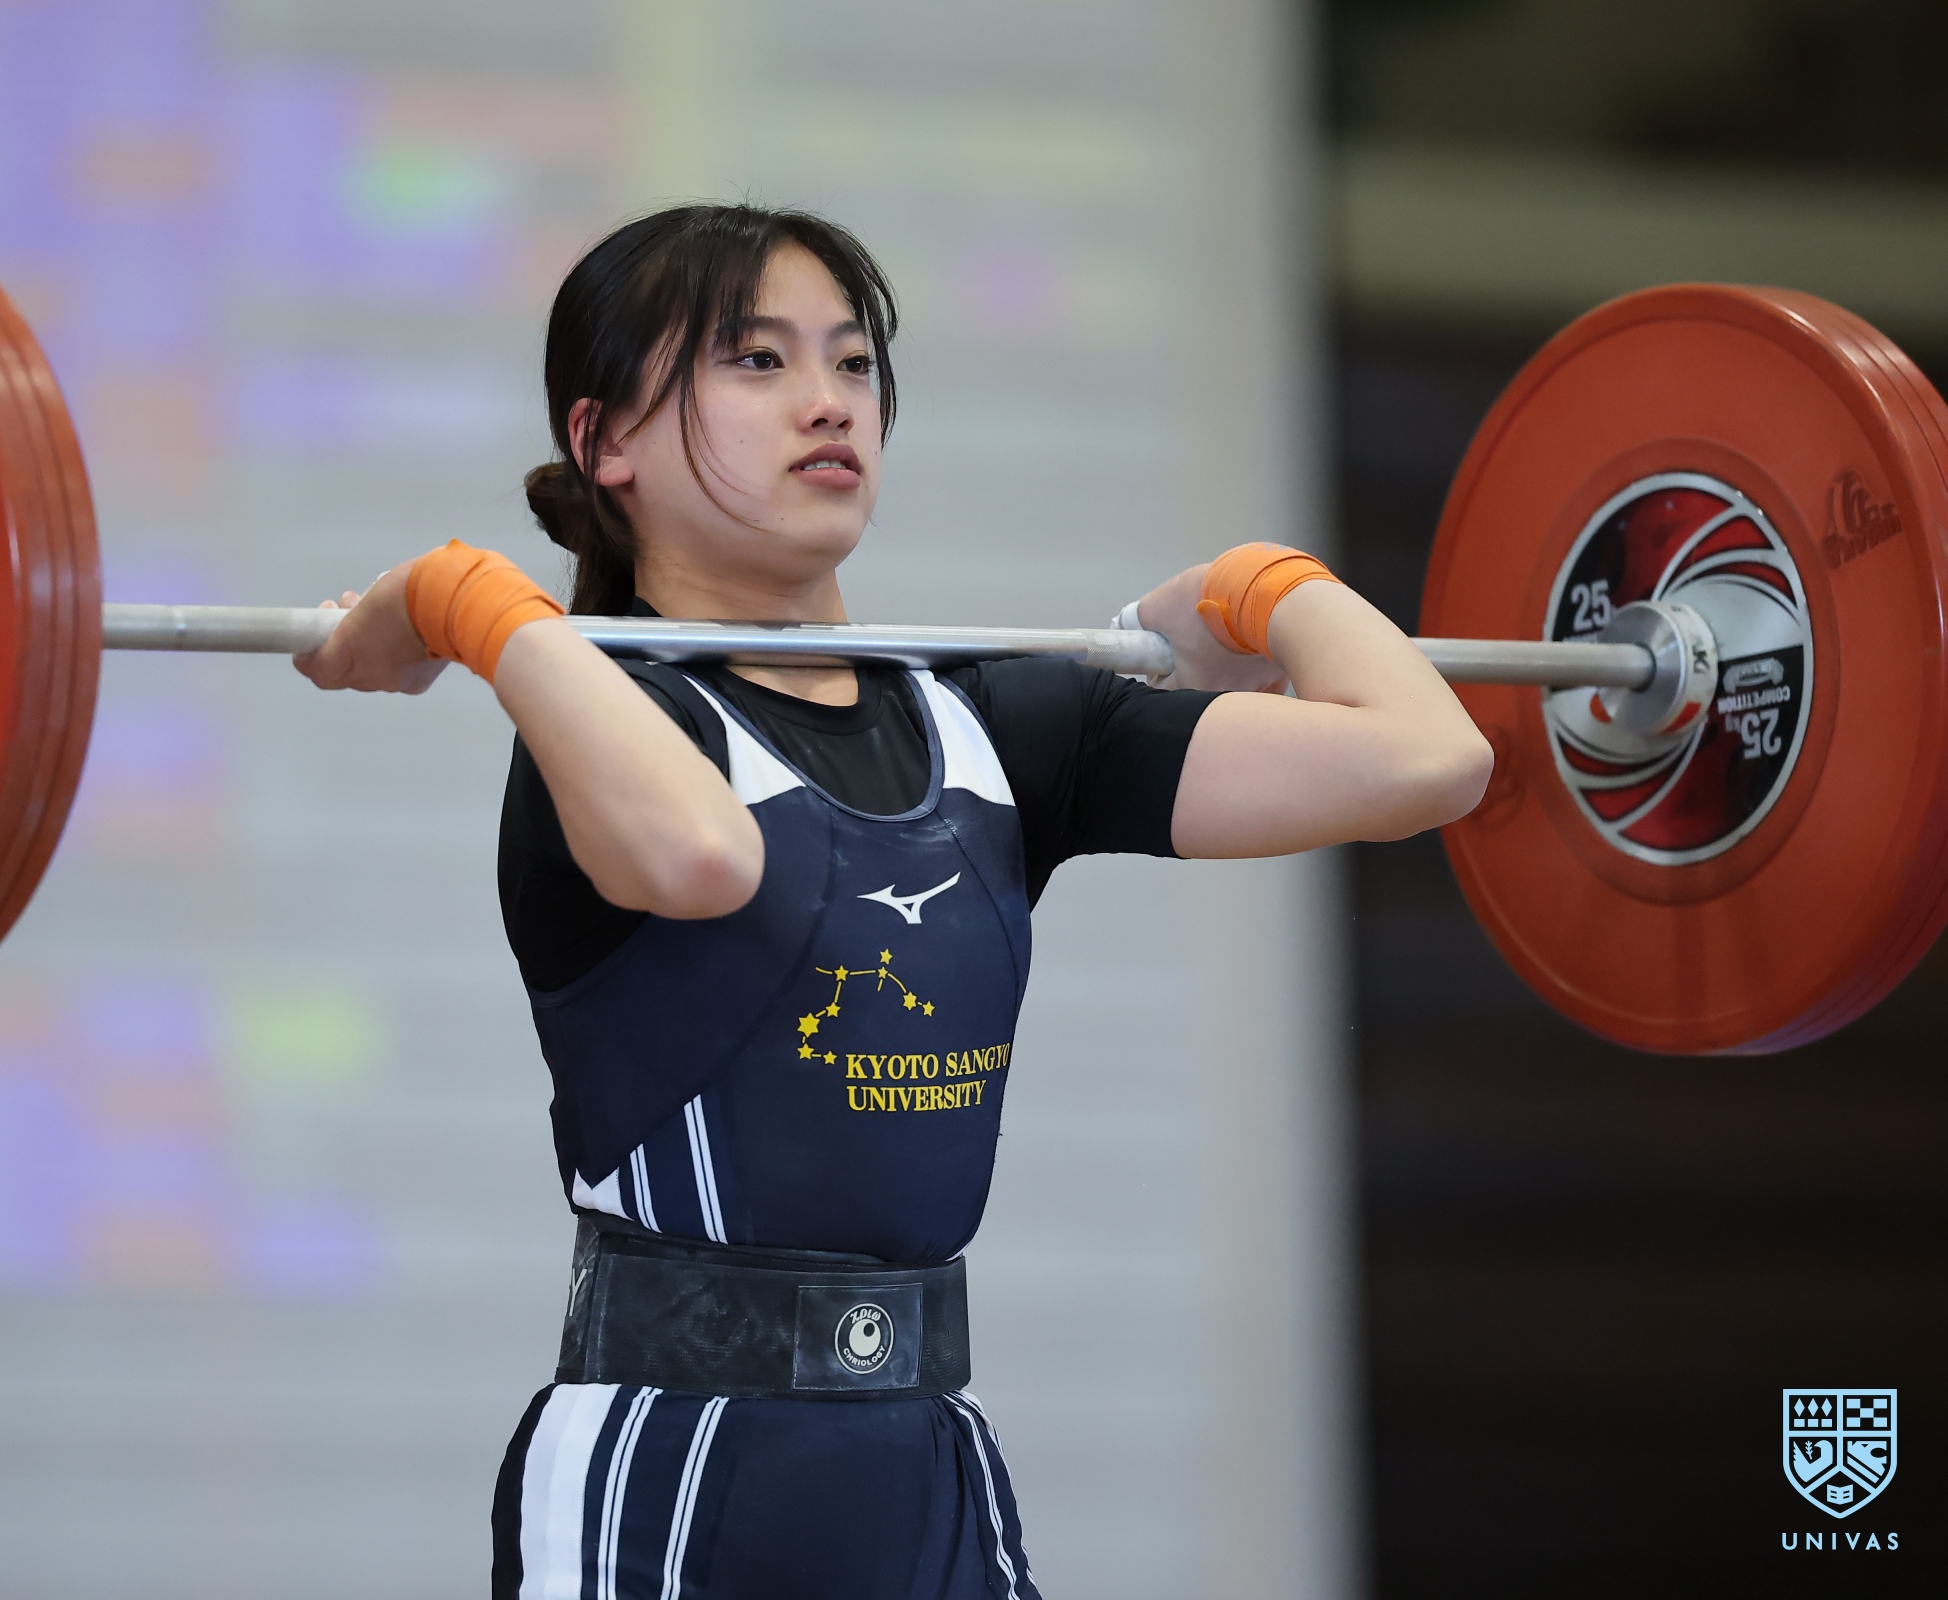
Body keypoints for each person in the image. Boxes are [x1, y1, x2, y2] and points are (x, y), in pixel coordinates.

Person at [295, 203, 1490, 1599]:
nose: (829, 402)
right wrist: (464, 598)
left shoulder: (999, 727)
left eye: (853, 362)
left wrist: (1254, 586)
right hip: (671, 1475)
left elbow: (1432, 759)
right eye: (757, 361)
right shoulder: (609, 724)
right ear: (605, 440)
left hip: (926, 1465)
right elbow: (701, 856)